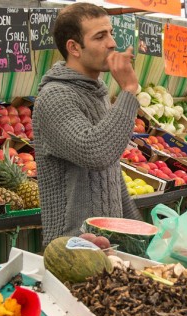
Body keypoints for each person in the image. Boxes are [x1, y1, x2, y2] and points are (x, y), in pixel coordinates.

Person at [33, 3, 141, 247]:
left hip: (106, 242)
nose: (112, 43)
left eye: (111, 33)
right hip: (72, 245)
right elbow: (96, 152)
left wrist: (136, 230)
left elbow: (109, 171)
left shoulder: (97, 92)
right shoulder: (55, 96)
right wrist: (129, 91)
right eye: (100, 36)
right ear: (74, 48)